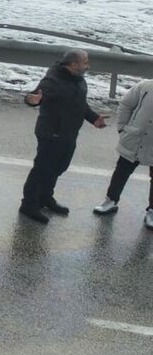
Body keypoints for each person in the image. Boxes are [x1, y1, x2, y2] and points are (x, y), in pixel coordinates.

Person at [20, 50, 106, 224]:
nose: (88, 66)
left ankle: (45, 197)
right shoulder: (53, 80)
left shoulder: (79, 80)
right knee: (42, 169)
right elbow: (35, 96)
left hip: (69, 133)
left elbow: (81, 104)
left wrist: (94, 118)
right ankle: (28, 205)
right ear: (74, 64)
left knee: (58, 168)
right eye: (86, 62)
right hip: (51, 133)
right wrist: (32, 100)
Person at [93, 77, 153, 228]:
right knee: (121, 171)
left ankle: (152, 210)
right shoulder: (145, 86)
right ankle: (110, 200)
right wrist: (122, 127)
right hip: (135, 138)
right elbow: (126, 105)